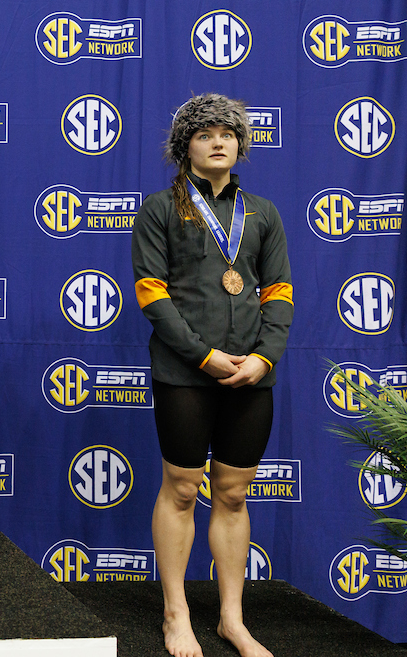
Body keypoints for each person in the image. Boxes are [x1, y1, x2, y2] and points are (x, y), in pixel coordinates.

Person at [131, 94, 292, 657]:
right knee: (181, 488)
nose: (218, 141)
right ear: (185, 147)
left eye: (228, 133)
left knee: (233, 493)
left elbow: (279, 293)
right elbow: (151, 295)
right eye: (205, 134)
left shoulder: (263, 213)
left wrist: (264, 358)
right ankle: (176, 614)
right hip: (184, 373)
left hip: (251, 375)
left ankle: (231, 619)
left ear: (240, 145)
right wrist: (203, 356)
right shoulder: (159, 209)